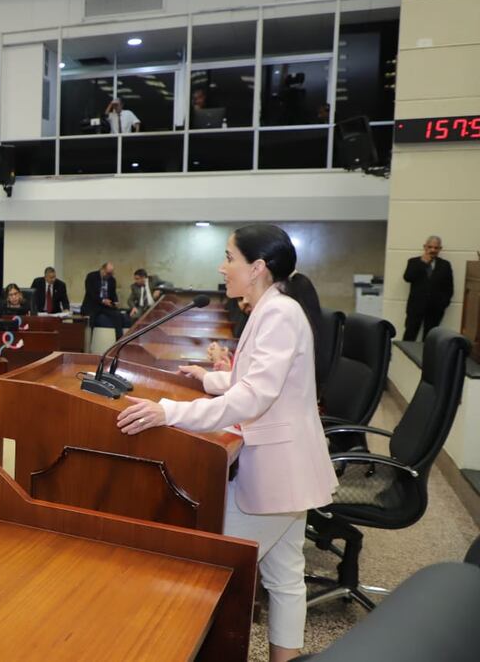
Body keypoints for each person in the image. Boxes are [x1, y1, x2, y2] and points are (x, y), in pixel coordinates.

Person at [116, 224, 336, 662]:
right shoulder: (274, 308)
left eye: (229, 257)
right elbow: (254, 380)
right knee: (285, 577)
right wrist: (210, 378)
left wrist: (170, 411)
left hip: (276, 471)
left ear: (256, 268)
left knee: (205, 565)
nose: (222, 267)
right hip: (289, 466)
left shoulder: (278, 313)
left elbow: (255, 396)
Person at [402, 235, 453, 342]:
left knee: (430, 337)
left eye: (436, 248)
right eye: (430, 247)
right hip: (416, 306)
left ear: (440, 249)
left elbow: (449, 287)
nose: (432, 250)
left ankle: (427, 358)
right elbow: (408, 277)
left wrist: (443, 304)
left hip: (435, 308)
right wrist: (423, 263)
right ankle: (403, 358)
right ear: (425, 247)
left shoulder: (445, 265)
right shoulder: (414, 262)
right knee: (410, 334)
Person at [82, 262, 129, 338]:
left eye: (111, 274)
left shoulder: (112, 280)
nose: (109, 276)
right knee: (91, 320)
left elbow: (113, 294)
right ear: (102, 270)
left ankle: (119, 342)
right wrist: (102, 300)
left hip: (106, 305)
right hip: (93, 304)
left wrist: (115, 301)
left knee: (118, 316)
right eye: (108, 273)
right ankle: (87, 345)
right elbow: (90, 293)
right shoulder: (91, 276)